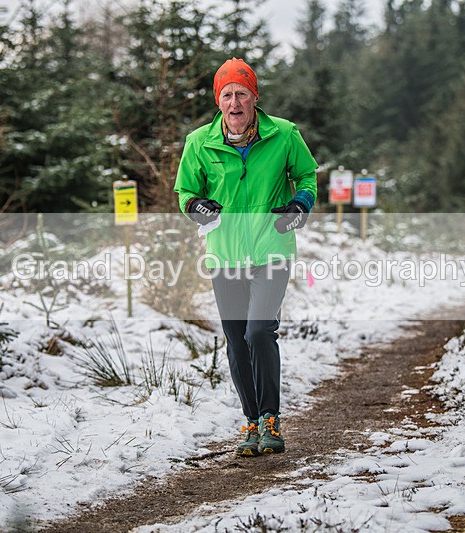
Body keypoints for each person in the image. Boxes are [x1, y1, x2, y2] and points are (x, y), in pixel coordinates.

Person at [174, 57, 318, 456]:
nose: (234, 102)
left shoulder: (284, 135)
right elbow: (185, 191)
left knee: (258, 331)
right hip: (225, 254)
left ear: (254, 98)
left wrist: (299, 205)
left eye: (241, 94)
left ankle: (270, 418)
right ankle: (252, 421)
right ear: (218, 102)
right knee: (236, 340)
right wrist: (196, 206)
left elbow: (307, 176)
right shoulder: (199, 142)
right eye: (227, 95)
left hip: (271, 248)